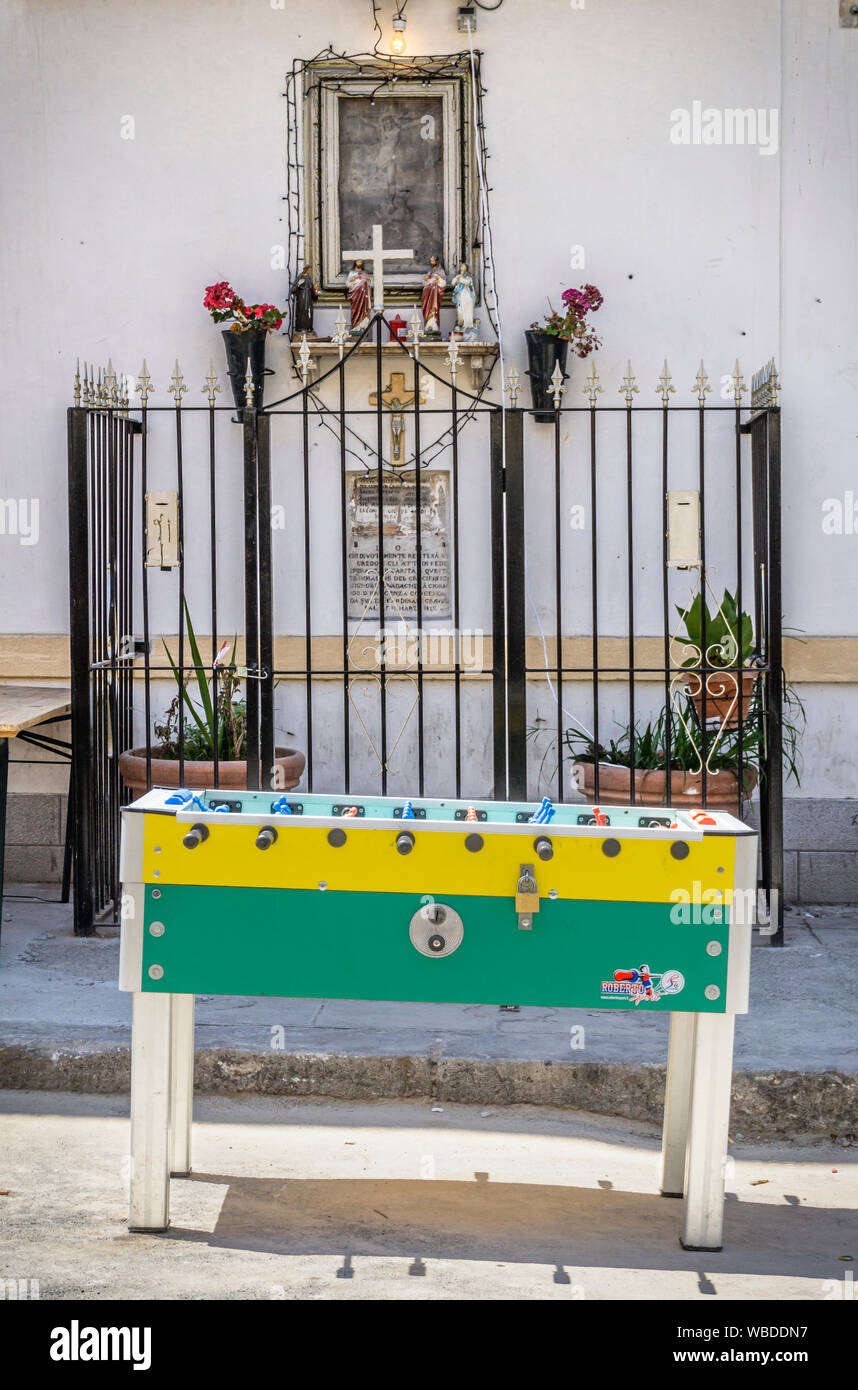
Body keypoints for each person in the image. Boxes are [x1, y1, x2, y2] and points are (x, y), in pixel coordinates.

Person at [421, 256, 446, 335]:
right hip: (428, 294)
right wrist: (426, 280)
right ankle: (428, 324)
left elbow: (443, 284)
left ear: (437, 261)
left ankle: (434, 325)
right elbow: (425, 282)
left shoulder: (441, 271)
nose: (431, 263)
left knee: (434, 310)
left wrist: (438, 278)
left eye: (433, 261)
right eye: (430, 261)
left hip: (435, 295)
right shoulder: (430, 272)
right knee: (427, 309)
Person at [290, 265, 318, 335]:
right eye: (309, 270)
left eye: (310, 270)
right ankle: (301, 328)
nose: (310, 271)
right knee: (302, 312)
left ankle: (308, 328)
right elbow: (293, 289)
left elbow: (312, 290)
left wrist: (315, 290)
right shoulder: (300, 277)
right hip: (302, 297)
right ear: (306, 269)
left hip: (308, 297)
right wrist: (299, 284)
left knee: (309, 312)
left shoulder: (309, 278)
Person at [347, 260, 372, 332]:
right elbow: (348, 283)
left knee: (364, 311)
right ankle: (355, 327)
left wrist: (367, 280)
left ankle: (363, 326)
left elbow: (369, 283)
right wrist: (356, 278)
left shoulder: (364, 273)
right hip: (356, 296)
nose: (359, 263)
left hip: (364, 296)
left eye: (360, 262)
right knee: (356, 310)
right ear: (355, 263)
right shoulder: (352, 273)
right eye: (358, 262)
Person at [451, 262, 475, 333]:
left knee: (467, 310)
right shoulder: (458, 276)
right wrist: (456, 278)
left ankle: (467, 325)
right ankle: (460, 323)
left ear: (466, 269)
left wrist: (460, 279)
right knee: (460, 310)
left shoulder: (468, 276)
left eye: (464, 267)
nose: (462, 268)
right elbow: (453, 283)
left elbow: (468, 282)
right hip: (459, 295)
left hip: (466, 294)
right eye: (461, 266)